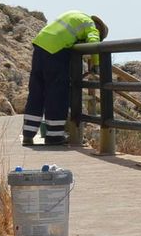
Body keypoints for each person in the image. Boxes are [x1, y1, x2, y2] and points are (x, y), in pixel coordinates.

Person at [23, 11, 107, 146]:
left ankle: (28, 134)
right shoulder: (90, 25)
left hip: (39, 47)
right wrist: (96, 64)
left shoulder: (74, 15)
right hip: (56, 52)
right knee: (57, 95)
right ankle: (54, 136)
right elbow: (93, 42)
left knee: (36, 93)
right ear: (99, 29)